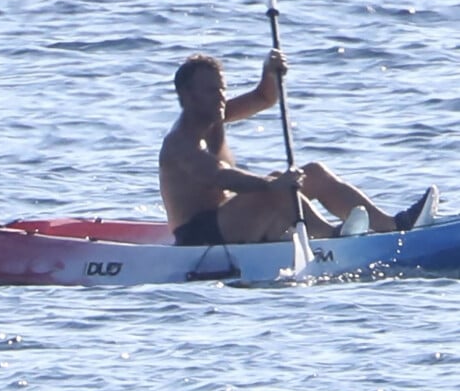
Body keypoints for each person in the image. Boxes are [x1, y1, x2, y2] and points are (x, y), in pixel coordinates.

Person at [159, 51, 437, 246]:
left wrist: (270, 70)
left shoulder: (215, 115)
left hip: (231, 219)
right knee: (278, 190)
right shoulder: (180, 144)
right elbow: (221, 176)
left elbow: (264, 97)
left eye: (222, 89)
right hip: (199, 236)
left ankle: (394, 226)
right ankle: (333, 239)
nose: (221, 97)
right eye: (211, 90)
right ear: (187, 95)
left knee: (314, 173)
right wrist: (272, 184)